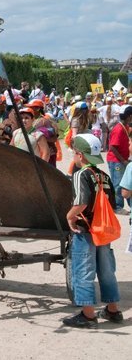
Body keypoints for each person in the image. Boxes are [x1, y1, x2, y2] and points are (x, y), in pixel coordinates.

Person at [63, 134, 122, 329]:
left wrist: (69, 216)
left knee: (83, 270)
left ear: (80, 155)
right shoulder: (103, 176)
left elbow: (81, 202)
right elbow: (112, 204)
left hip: (85, 230)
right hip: (102, 231)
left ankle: (88, 315)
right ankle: (112, 309)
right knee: (106, 270)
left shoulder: (81, 174)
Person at [106, 106, 132, 214]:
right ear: (129, 116)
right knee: (118, 183)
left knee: (124, 182)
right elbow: (112, 147)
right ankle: (117, 206)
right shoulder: (119, 129)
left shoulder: (124, 127)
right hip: (116, 160)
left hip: (121, 160)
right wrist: (123, 160)